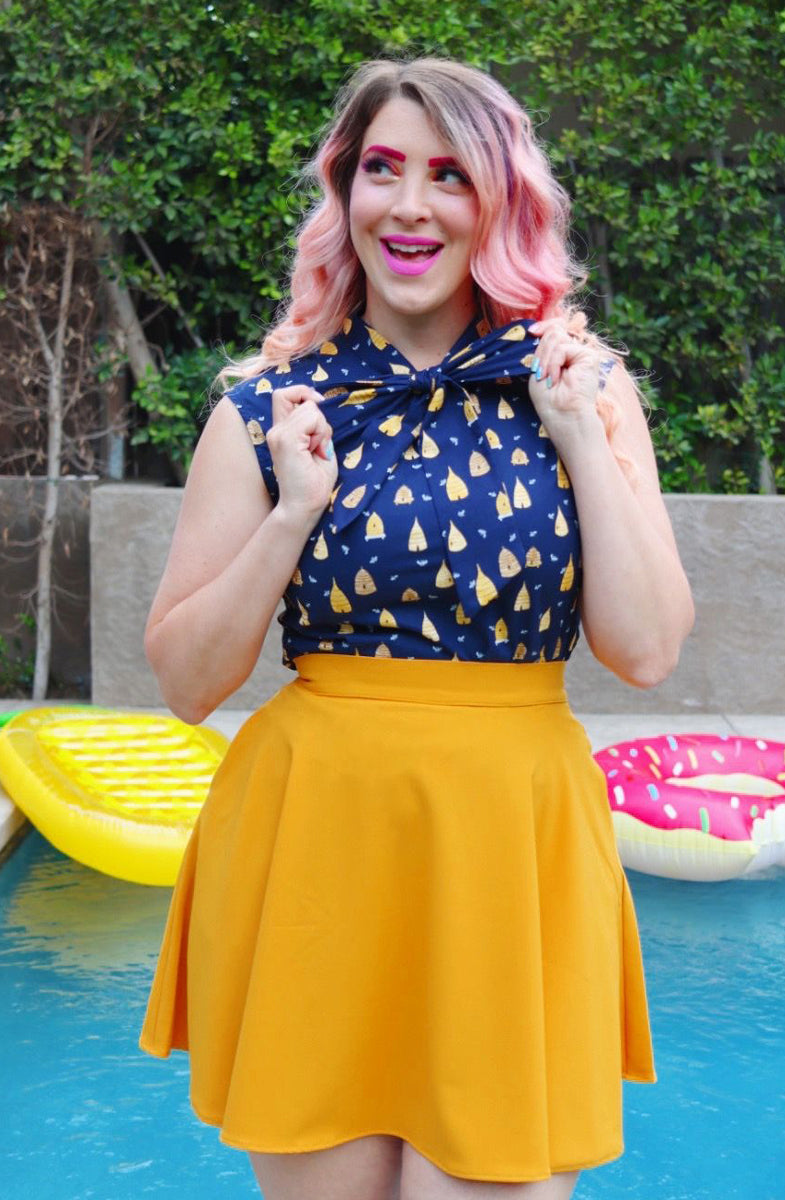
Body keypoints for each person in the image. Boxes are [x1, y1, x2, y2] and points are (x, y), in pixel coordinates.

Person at [139, 56, 694, 1200]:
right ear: (343, 194)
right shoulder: (267, 403)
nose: (409, 205)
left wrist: (580, 435)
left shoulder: (581, 385)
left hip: (506, 848)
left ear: (499, 202)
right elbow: (188, 683)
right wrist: (291, 511)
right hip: (315, 849)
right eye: (380, 169)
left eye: (448, 175)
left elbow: (644, 651)